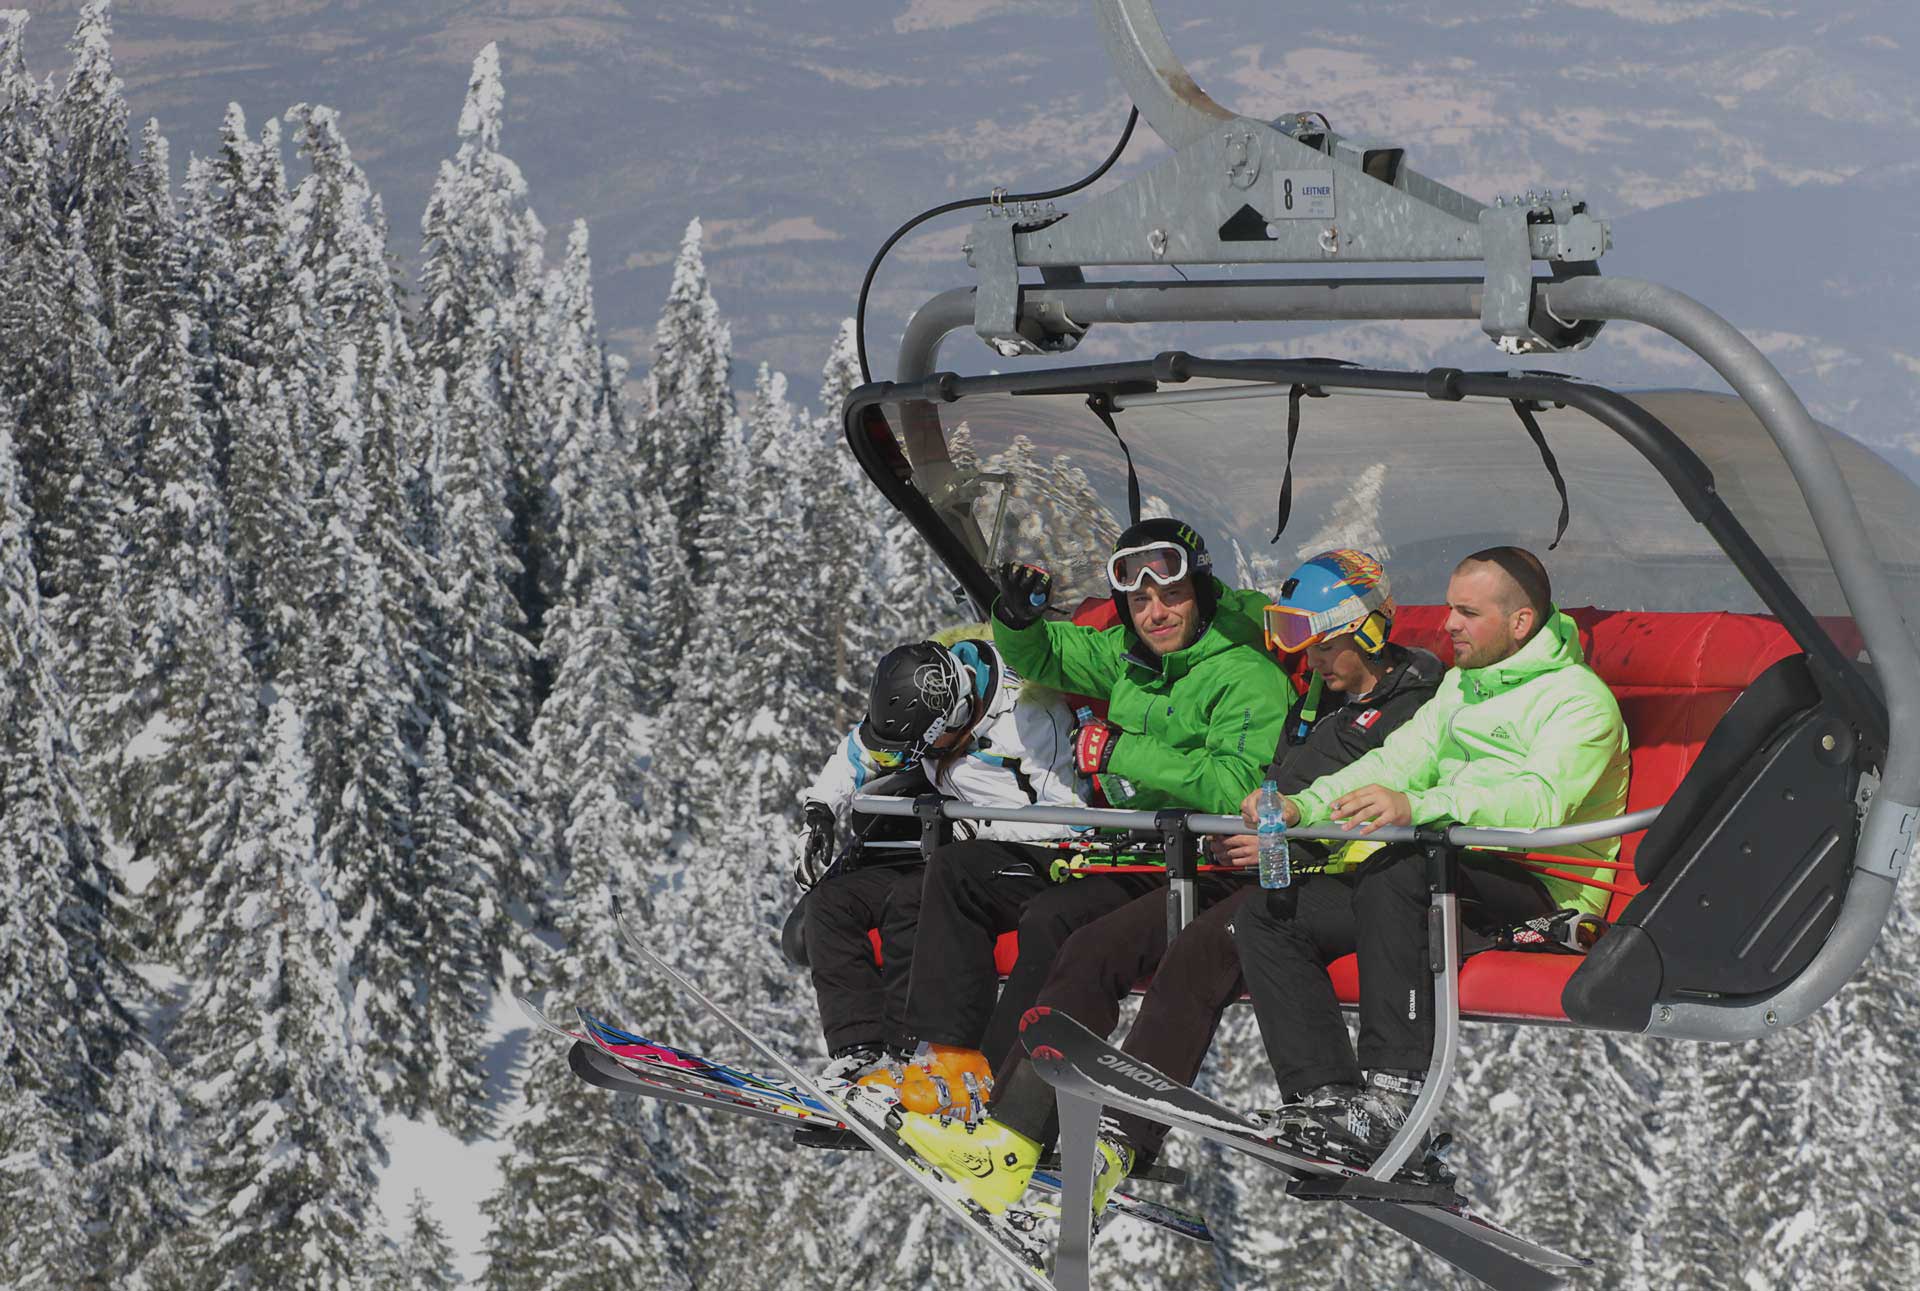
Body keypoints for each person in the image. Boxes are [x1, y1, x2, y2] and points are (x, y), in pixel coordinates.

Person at [895, 549, 1444, 1217]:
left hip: (1324, 875)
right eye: (1291, 636)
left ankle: (1119, 1143)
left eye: (1314, 639)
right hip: (1240, 860)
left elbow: (1379, 791)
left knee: (1205, 946)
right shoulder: (1314, 693)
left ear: (1364, 628)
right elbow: (1268, 783)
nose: (1308, 658)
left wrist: (1279, 828)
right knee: (1087, 944)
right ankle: (1013, 1131)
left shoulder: (1414, 706)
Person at [873, 517, 1290, 1143]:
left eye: (1170, 595)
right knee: (960, 872)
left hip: (1197, 861)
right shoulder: (1129, 658)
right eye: (1139, 601)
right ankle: (951, 1063)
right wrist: (1016, 622)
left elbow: (1238, 784)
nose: (1155, 614)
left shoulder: (1246, 677)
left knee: (1056, 921)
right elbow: (1048, 654)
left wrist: (1121, 751)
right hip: (1127, 853)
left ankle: (1013, 1106)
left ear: (1200, 591)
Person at [1234, 546, 1630, 1165]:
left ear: (1519, 623)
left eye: (1467, 613)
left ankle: (1394, 1102)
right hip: (1449, 866)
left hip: (1539, 884)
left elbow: (1540, 801)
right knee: (1271, 912)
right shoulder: (1460, 690)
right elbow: (1394, 762)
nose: (1447, 626)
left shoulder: (1579, 701)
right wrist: (1301, 805)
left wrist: (1422, 806)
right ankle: (1324, 1098)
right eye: (1449, 609)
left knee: (1397, 867)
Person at [794, 638, 1084, 1088]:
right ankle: (859, 1051)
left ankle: (909, 1053)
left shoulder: (1029, 720)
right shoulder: (926, 705)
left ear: (949, 723)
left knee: (915, 897)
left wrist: (979, 830)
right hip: (951, 848)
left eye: (916, 750)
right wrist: (821, 809)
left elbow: (1069, 819)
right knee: (832, 903)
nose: (905, 762)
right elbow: (860, 751)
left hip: (1029, 856)